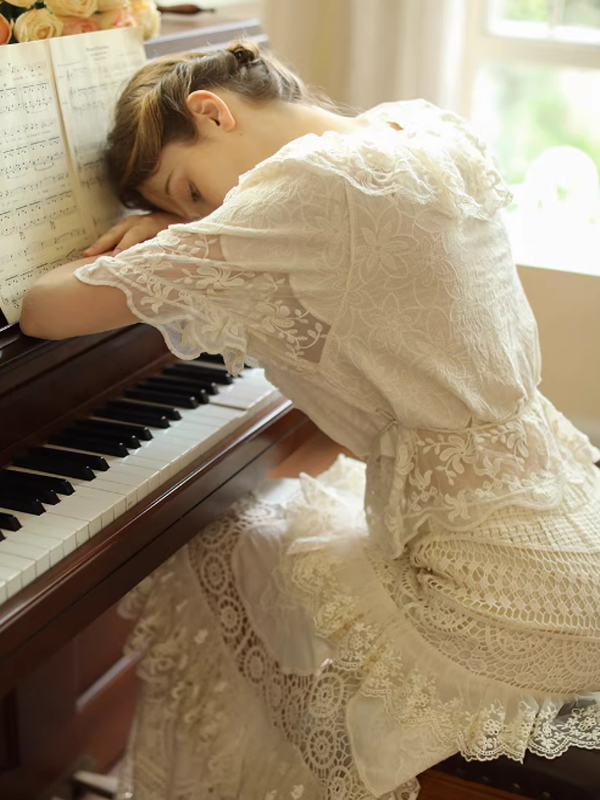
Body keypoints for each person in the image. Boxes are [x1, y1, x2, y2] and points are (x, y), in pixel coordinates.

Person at [20, 42, 600, 800]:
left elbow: (43, 308)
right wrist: (182, 215)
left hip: (496, 597)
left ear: (212, 110)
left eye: (186, 190)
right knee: (242, 541)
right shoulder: (412, 128)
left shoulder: (303, 189)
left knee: (213, 552)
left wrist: (161, 233)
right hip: (564, 530)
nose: (202, 215)